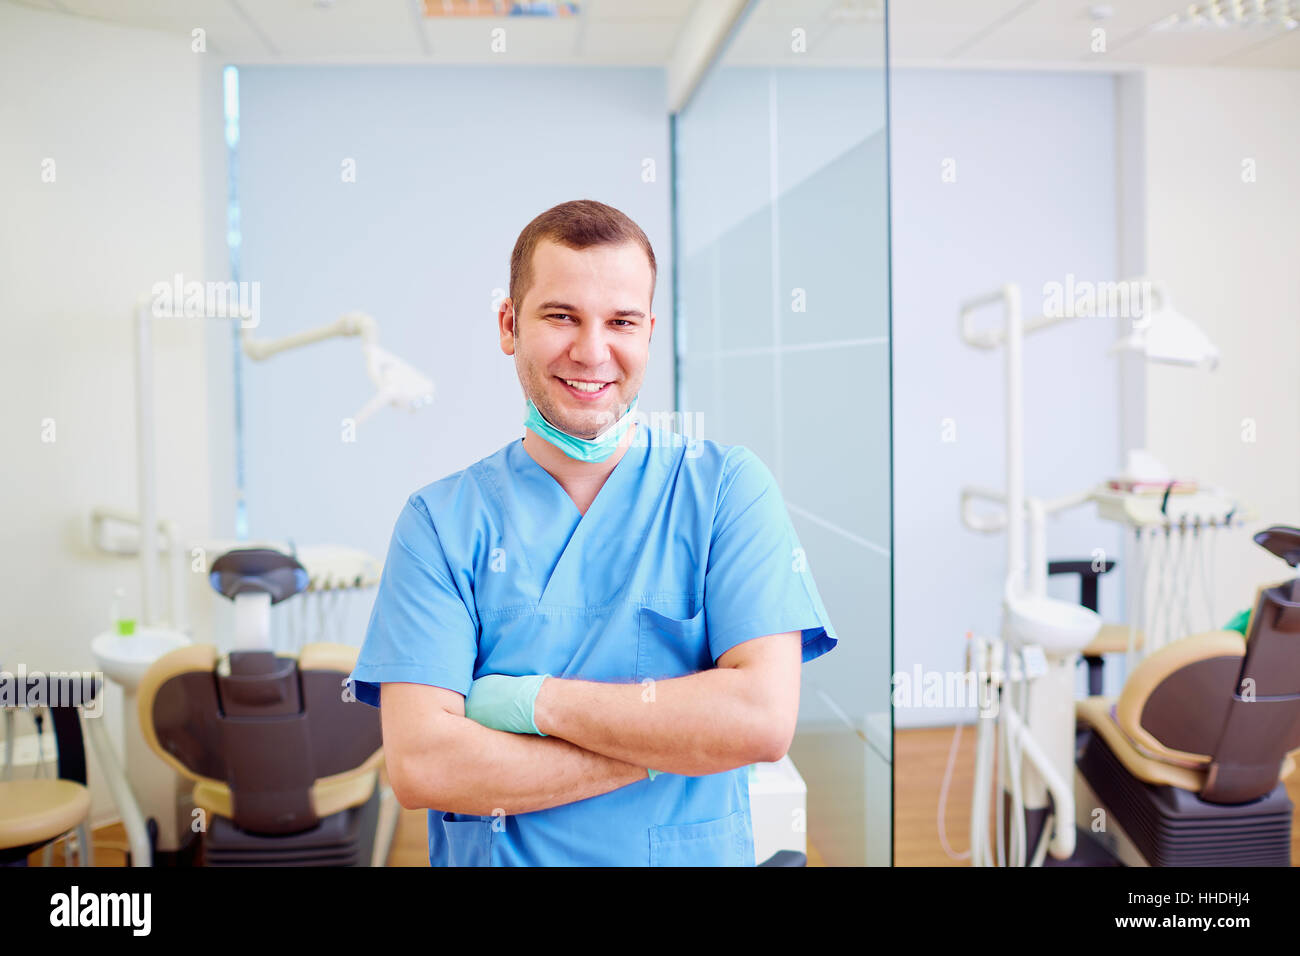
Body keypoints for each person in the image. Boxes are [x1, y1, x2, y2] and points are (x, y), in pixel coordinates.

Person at [347, 199, 838, 866]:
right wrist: (674, 745)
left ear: (649, 332)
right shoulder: (440, 525)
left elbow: (759, 720)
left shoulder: (724, 490)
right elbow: (425, 765)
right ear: (508, 324)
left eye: (621, 322)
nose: (592, 350)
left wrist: (526, 702)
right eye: (561, 316)